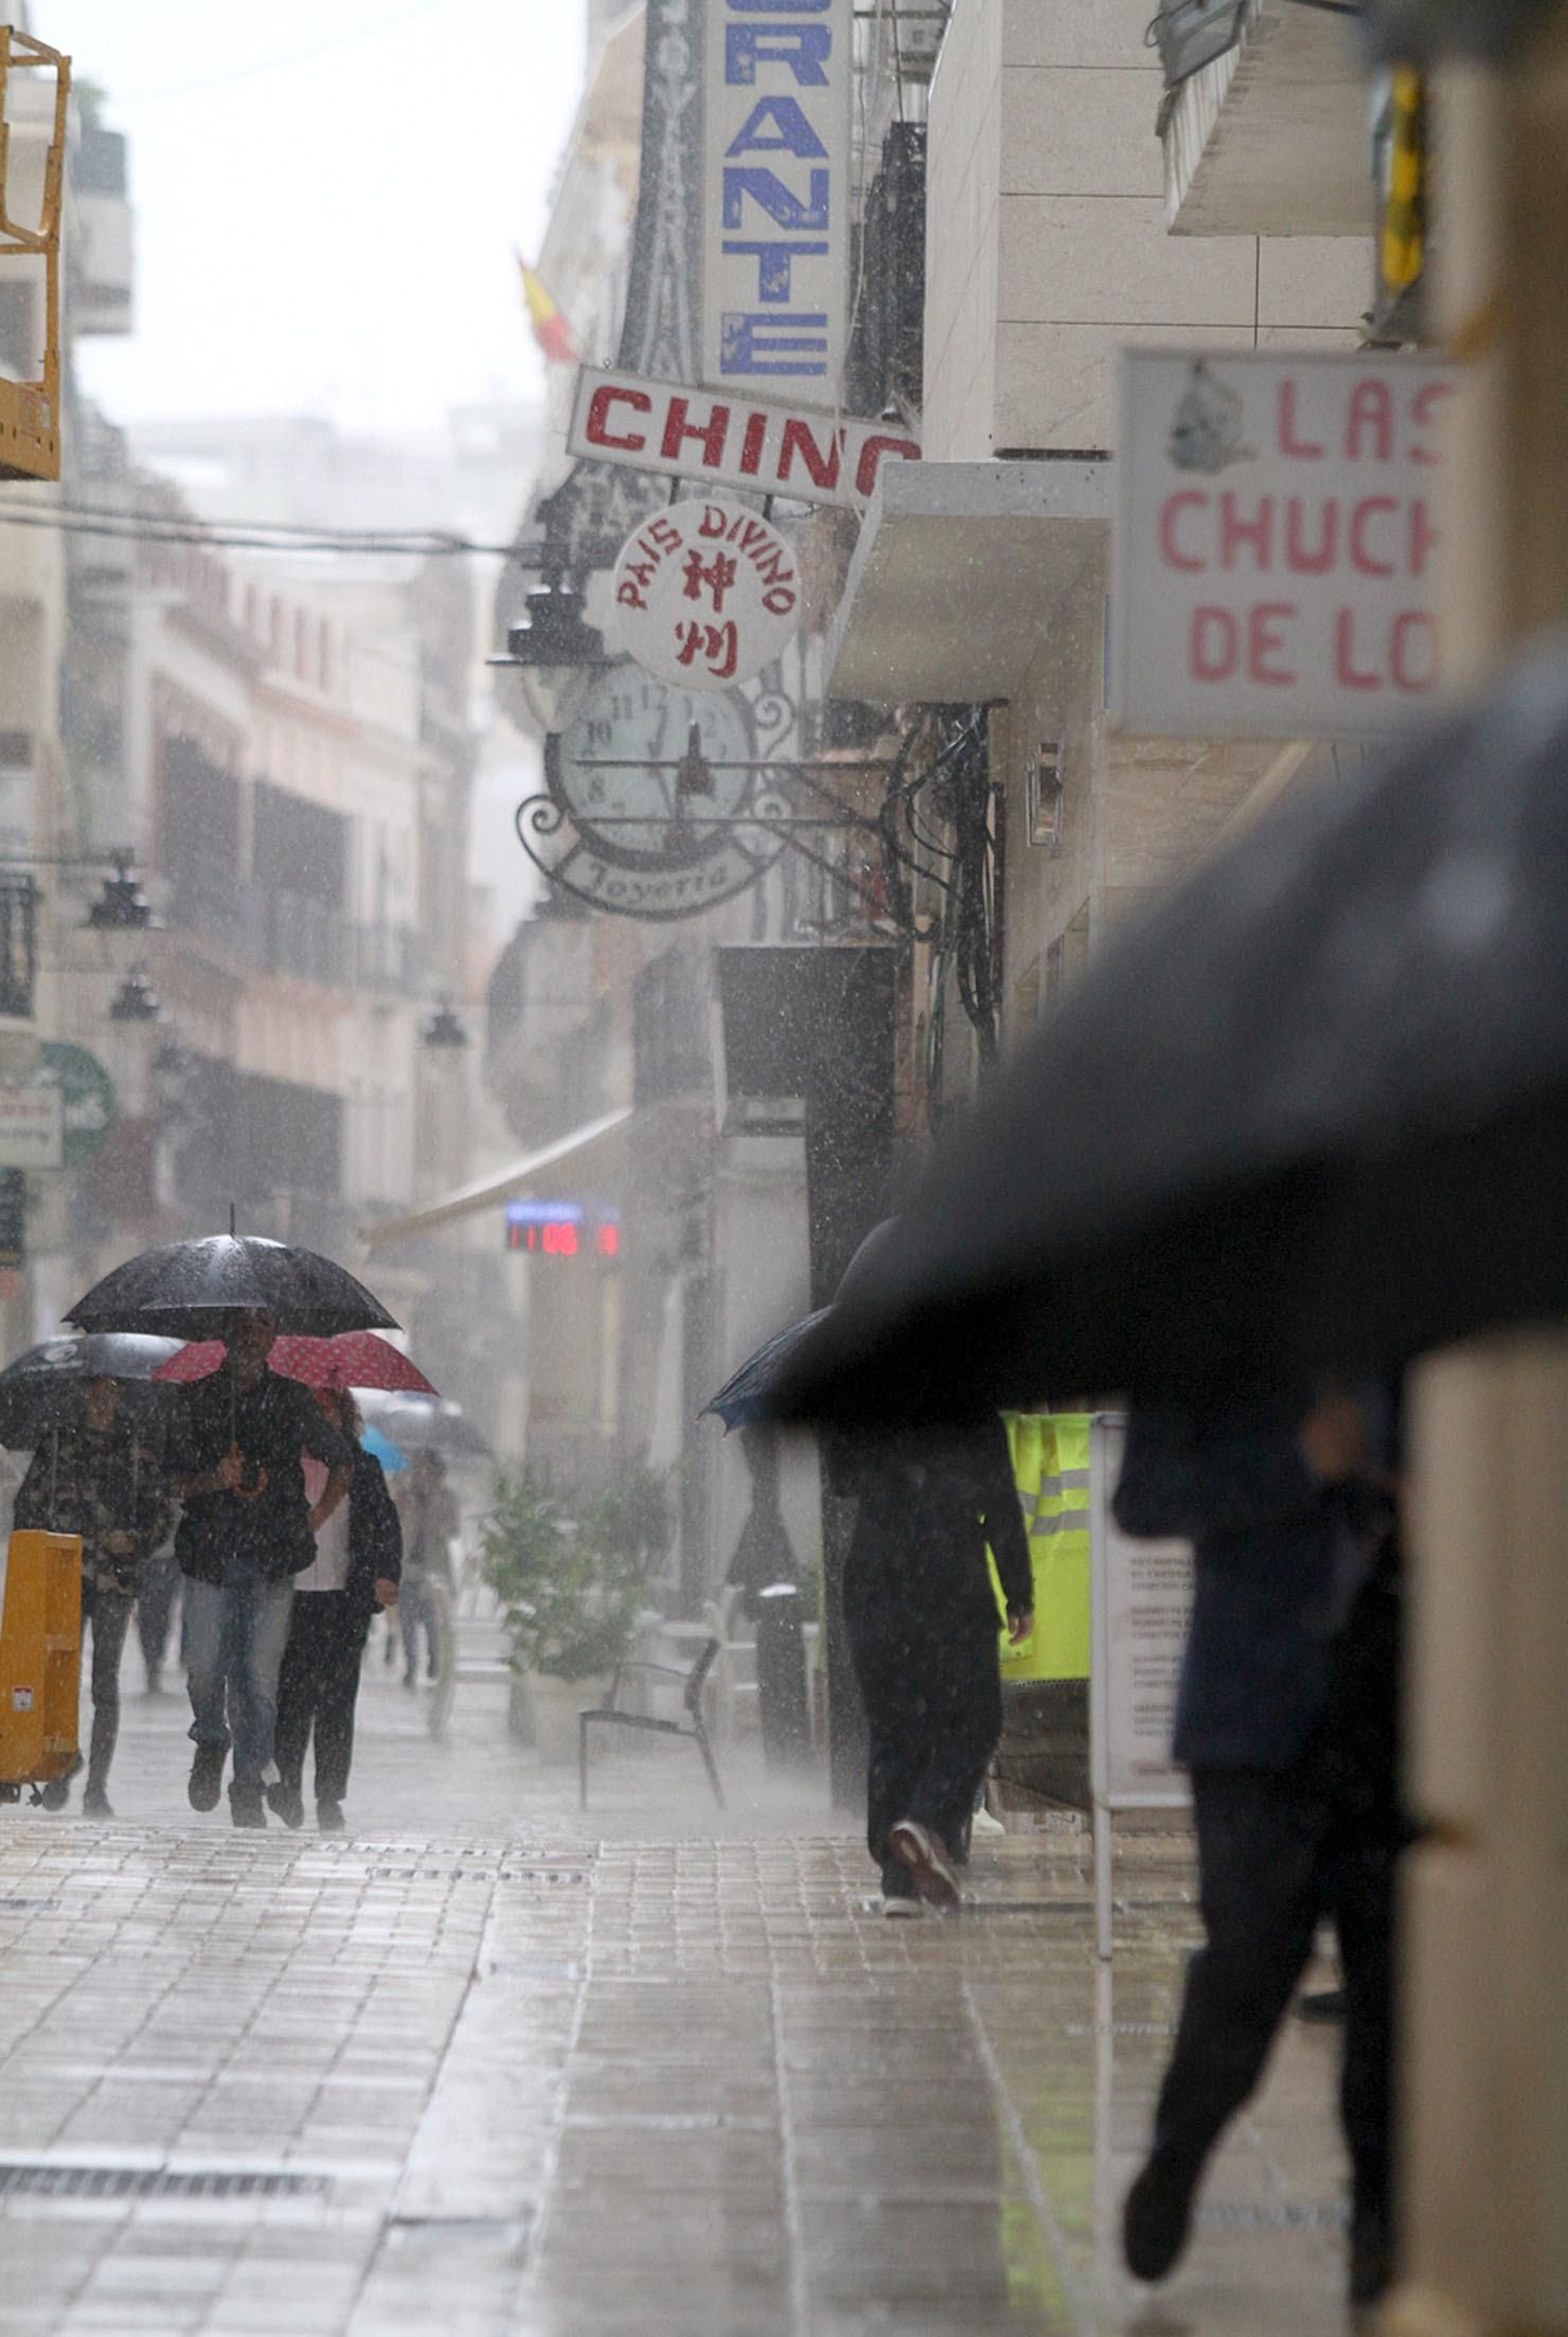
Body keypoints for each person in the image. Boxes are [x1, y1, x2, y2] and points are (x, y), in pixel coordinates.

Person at [1113, 1383, 1404, 2312]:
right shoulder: (1208, 1323)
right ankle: (1181, 2149)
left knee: (1394, 1990)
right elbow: (1145, 1498)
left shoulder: (1422, 1307)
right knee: (1248, 1964)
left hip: (1397, 1707)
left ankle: (1380, 2232)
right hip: (1252, 1721)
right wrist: (1300, 1465)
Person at [833, 1416, 1033, 1916]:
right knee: (977, 1718)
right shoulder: (972, 1412)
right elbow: (1000, 1505)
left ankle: (899, 1883)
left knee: (894, 1729)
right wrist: (1018, 1593)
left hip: (876, 1585)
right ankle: (927, 1822)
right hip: (951, 1586)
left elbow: (839, 1478)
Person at [167, 1310, 353, 1828]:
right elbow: (173, 1478)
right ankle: (210, 1737)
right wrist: (213, 1479)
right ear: (227, 1334)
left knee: (259, 1680)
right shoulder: (197, 1397)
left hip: (272, 1558)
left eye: (262, 1324)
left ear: (274, 1336)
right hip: (211, 1554)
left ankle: (248, 1783)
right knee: (205, 1667)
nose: (252, 1334)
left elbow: (342, 1458)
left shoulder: (292, 1399)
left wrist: (314, 1518)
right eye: (242, 1324)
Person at [13, 1377, 171, 1817]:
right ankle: (64, 1762)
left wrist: (134, 1540)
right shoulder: (60, 1442)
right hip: (64, 1575)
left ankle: (97, 1785)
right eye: (96, 1388)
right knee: (61, 1679)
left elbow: (160, 1511)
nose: (103, 1396)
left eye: (112, 1389)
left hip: (115, 1579)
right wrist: (39, 1546)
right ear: (82, 1391)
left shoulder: (137, 1445)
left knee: (105, 1681)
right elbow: (28, 1503)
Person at [269, 1389, 401, 1834]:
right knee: (293, 1700)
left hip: (345, 1600)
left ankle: (329, 1796)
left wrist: (386, 1574)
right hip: (293, 1597)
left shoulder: (363, 1469)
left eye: (330, 1411)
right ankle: (286, 1785)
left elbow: (385, 1524)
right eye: (315, 1412)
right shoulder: (282, 1467)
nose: (323, 1420)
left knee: (337, 1703)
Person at [397, 1448, 458, 1686]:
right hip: (408, 1567)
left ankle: (434, 1660)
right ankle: (411, 1666)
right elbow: (395, 1525)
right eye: (416, 1467)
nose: (418, 1473)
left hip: (434, 1568)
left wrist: (436, 1522)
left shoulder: (446, 1498)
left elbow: (454, 1530)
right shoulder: (406, 1495)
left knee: (432, 1621)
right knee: (407, 1621)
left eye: (423, 1468)